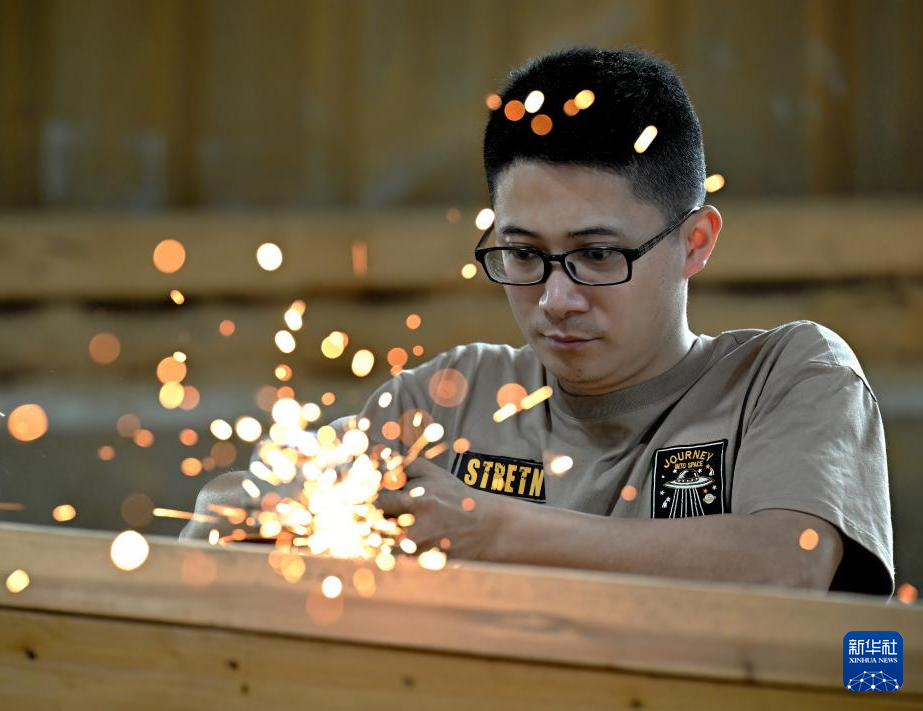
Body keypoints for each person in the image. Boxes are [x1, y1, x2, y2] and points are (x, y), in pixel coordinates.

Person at [183, 47, 894, 597]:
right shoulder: (451, 399)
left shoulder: (787, 377)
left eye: (597, 255)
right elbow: (226, 508)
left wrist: (494, 532)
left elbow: (788, 562)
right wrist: (275, 510)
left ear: (695, 242)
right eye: (524, 254)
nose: (556, 299)